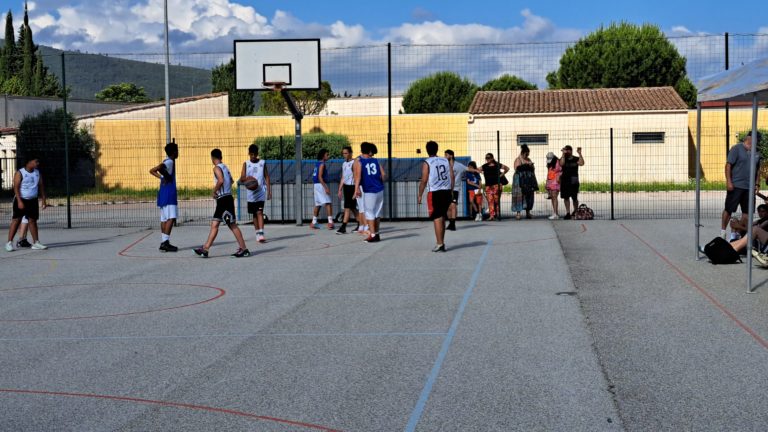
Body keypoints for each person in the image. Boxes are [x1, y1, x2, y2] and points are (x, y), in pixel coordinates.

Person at [193, 149, 249, 258]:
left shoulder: (216, 168)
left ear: (212, 158)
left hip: (224, 200)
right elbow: (231, 181)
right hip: (225, 199)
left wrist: (214, 191)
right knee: (215, 224)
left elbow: (221, 180)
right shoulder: (225, 167)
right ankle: (205, 249)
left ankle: (244, 249)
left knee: (232, 225)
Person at [721, 130, 763, 239]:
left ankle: (740, 235)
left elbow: (758, 170)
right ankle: (723, 232)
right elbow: (728, 166)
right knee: (729, 209)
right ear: (750, 138)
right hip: (736, 186)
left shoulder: (757, 152)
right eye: (757, 140)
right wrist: (729, 181)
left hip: (749, 188)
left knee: (747, 213)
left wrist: (757, 184)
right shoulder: (736, 149)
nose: (758, 142)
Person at [418, 140, 454, 252]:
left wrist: (420, 194)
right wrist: (451, 190)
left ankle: (440, 244)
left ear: (427, 150)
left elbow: (424, 180)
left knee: (437, 218)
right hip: (446, 191)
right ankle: (441, 242)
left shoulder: (427, 162)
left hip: (435, 192)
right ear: (437, 149)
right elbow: (452, 176)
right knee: (442, 217)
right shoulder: (445, 160)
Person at [6, 155, 47, 252]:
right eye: (35, 161)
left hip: (33, 200)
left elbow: (41, 186)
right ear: (29, 162)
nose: (37, 164)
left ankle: (36, 242)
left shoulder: (37, 173)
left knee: (32, 220)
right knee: (16, 220)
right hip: (21, 199)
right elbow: (16, 188)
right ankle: (9, 243)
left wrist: (43, 199)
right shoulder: (20, 173)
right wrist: (19, 201)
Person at [149, 142, 179, 252]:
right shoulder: (170, 162)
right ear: (174, 152)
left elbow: (152, 171)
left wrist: (162, 177)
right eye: (177, 150)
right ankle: (165, 243)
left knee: (164, 218)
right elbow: (160, 167)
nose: (178, 152)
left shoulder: (167, 161)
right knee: (171, 218)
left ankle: (164, 242)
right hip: (169, 193)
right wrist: (164, 175)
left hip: (162, 193)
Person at [239, 144, 271, 243]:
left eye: (255, 154)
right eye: (251, 154)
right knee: (254, 214)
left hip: (260, 192)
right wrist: (247, 179)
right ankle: (257, 233)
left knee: (259, 212)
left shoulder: (262, 163)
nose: (253, 156)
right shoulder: (246, 164)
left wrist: (269, 191)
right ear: (249, 153)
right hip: (251, 193)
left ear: (257, 154)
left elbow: (267, 177)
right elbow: (242, 178)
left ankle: (261, 233)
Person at [354, 142, 386, 242]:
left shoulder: (359, 161)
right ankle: (377, 233)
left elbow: (358, 177)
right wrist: (378, 181)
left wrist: (356, 189)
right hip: (380, 189)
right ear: (370, 151)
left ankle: (372, 235)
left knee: (369, 212)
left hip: (369, 190)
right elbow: (383, 175)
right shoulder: (376, 161)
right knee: (377, 213)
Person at [479, 153, 510, 221]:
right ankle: (492, 216)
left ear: (492, 158)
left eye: (489, 158)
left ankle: (497, 214)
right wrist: (482, 172)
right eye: (486, 158)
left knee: (496, 201)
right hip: (488, 186)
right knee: (490, 201)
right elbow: (477, 169)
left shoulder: (497, 165)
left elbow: (507, 168)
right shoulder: (485, 166)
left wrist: (502, 174)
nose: (487, 159)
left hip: (497, 185)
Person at [337, 146, 359, 234]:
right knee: (353, 208)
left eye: (346, 153)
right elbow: (343, 177)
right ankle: (360, 224)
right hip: (346, 187)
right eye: (343, 153)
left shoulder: (354, 163)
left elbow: (356, 177)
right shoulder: (344, 164)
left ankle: (343, 227)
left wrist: (356, 189)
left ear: (350, 153)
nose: (344, 155)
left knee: (347, 207)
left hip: (352, 187)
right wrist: (340, 189)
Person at [511, 144, 537, 220]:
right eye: (526, 154)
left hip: (528, 180)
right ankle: (518, 213)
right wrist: (526, 165)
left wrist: (531, 166)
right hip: (519, 180)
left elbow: (533, 169)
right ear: (522, 153)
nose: (527, 155)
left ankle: (528, 213)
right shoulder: (518, 159)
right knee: (519, 195)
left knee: (529, 195)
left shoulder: (529, 159)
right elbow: (517, 168)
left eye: (528, 154)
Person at [559, 145, 585, 220]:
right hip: (565, 180)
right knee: (566, 197)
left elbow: (581, 163)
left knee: (574, 198)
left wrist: (580, 153)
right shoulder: (563, 158)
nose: (566, 151)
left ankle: (575, 211)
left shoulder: (575, 158)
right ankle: (568, 213)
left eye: (567, 150)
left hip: (574, 181)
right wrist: (563, 154)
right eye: (565, 150)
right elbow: (561, 164)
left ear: (571, 151)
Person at [311, 149, 334, 230]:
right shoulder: (322, 164)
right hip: (321, 185)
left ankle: (314, 222)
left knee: (318, 204)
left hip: (316, 185)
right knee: (328, 203)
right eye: (327, 154)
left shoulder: (317, 164)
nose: (328, 156)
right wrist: (326, 188)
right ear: (323, 156)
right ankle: (330, 222)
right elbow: (320, 177)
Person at [444, 150, 467, 231]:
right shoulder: (444, 165)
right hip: (446, 188)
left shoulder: (458, 165)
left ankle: (453, 224)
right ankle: (450, 223)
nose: (445, 156)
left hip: (455, 189)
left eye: (446, 155)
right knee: (448, 207)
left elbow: (468, 168)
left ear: (451, 155)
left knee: (453, 205)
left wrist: (476, 170)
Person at [545, 152, 562, 220]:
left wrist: (559, 177)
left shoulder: (558, 162)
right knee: (552, 197)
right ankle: (555, 213)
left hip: (556, 182)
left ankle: (555, 214)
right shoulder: (549, 164)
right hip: (550, 182)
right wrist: (547, 183)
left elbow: (561, 171)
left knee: (554, 197)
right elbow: (549, 173)